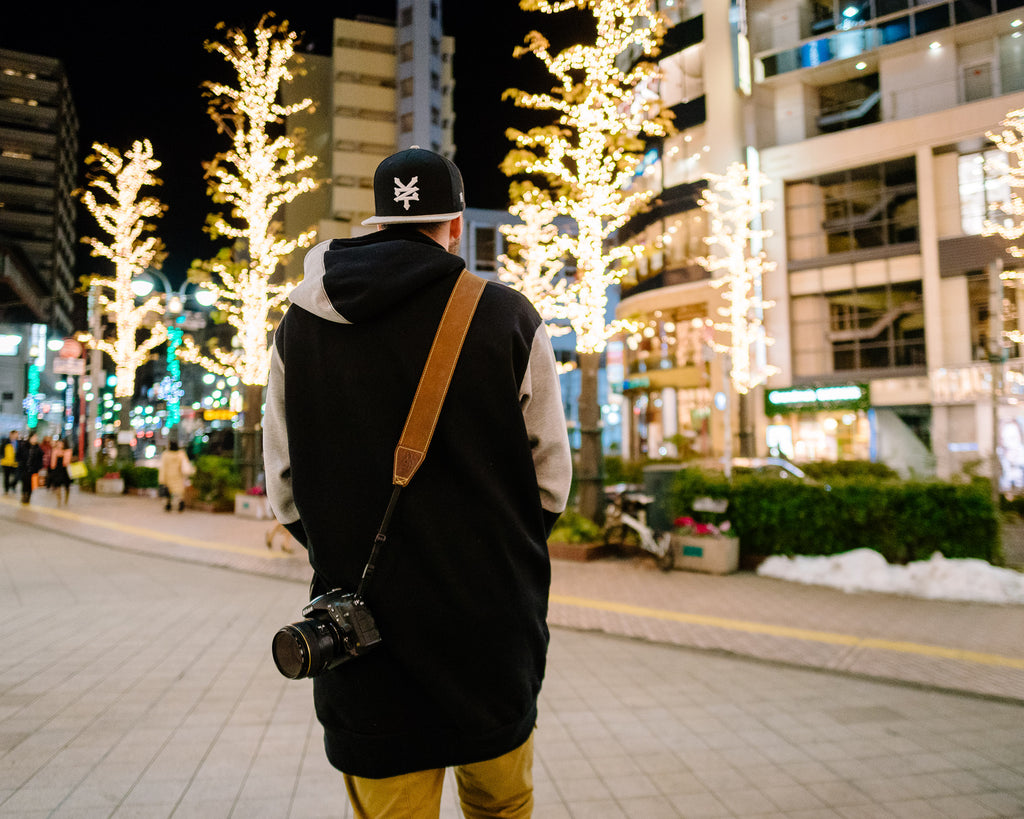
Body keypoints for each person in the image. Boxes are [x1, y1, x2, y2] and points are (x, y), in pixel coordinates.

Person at [264, 146, 572, 818]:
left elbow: (282, 485)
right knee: (500, 804)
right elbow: (551, 481)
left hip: (361, 636)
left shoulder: (298, 327)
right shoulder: (510, 316)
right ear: (455, 223)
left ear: (376, 221)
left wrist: (345, 548)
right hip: (489, 633)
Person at [157, 441, 193, 512]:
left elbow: (163, 467)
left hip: (168, 476)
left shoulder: (166, 455)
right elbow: (185, 465)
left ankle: (168, 504)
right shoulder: (181, 454)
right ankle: (181, 502)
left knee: (169, 491)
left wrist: (162, 479)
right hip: (178, 476)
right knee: (179, 491)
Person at [17, 432, 43, 505]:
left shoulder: (38, 449)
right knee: (24, 483)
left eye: (36, 437)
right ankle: (23, 496)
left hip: (33, 470)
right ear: (30, 438)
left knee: (31, 485)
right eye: (34, 437)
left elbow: (40, 460)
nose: (35, 439)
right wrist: (20, 464)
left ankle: (28, 497)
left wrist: (38, 468)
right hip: (24, 469)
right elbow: (19, 455)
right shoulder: (24, 446)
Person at [47, 439, 72, 505]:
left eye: (61, 443)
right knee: (58, 485)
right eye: (58, 443)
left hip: (65, 470)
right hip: (57, 470)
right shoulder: (55, 451)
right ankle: (59, 500)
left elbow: (68, 461)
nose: (59, 445)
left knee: (67, 486)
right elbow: (52, 461)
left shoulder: (68, 451)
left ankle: (66, 500)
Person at [1, 430, 19, 494]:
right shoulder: (5, 441)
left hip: (14, 463)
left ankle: (12, 485)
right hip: (6, 462)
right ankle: (6, 489)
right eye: (15, 434)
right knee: (6, 476)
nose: (16, 436)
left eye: (17, 434)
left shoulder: (18, 442)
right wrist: (2, 458)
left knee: (17, 476)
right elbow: (1, 451)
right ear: (11, 434)